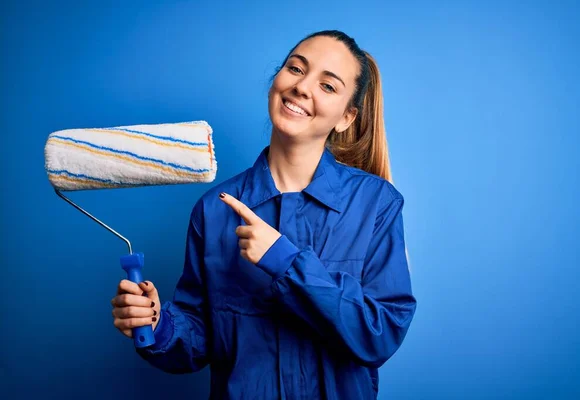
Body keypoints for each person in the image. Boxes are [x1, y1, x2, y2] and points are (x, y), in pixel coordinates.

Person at [110, 29, 417, 399]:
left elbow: (379, 334)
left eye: (328, 86)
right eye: (295, 68)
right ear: (277, 80)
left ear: (346, 118)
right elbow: (199, 339)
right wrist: (158, 322)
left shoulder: (376, 204)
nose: (303, 87)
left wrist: (285, 261)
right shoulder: (213, 210)